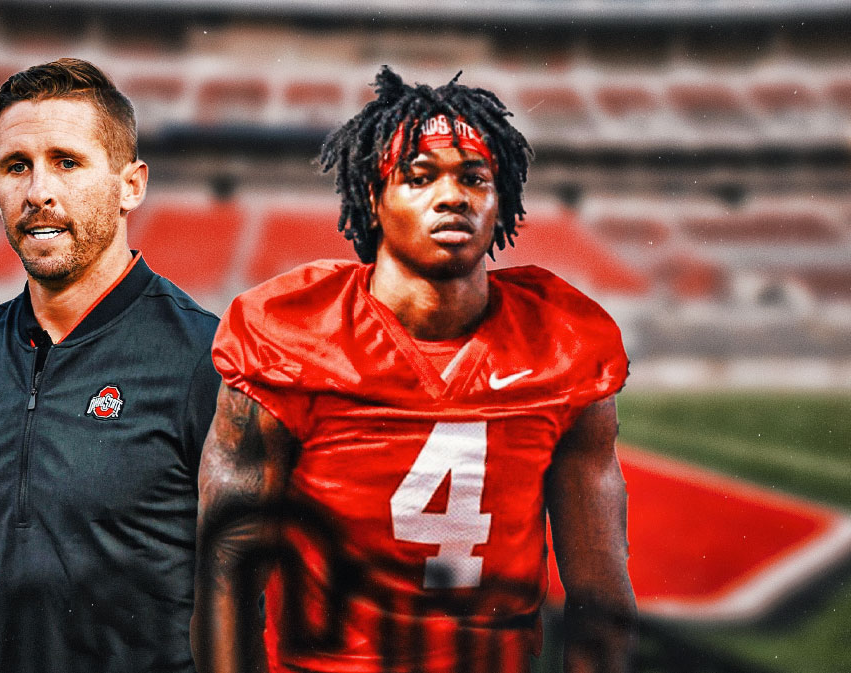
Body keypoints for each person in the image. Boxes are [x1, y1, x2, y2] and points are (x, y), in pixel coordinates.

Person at [193, 67, 636, 673]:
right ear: (373, 199)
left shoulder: (563, 342)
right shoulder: (290, 337)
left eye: (474, 178)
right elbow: (227, 581)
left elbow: (600, 599)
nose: (451, 196)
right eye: (419, 177)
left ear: (501, 200)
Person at [0, 58, 220, 673]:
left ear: (131, 184)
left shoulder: (207, 360)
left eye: (67, 161)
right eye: (18, 166)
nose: (38, 190)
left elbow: (248, 606)